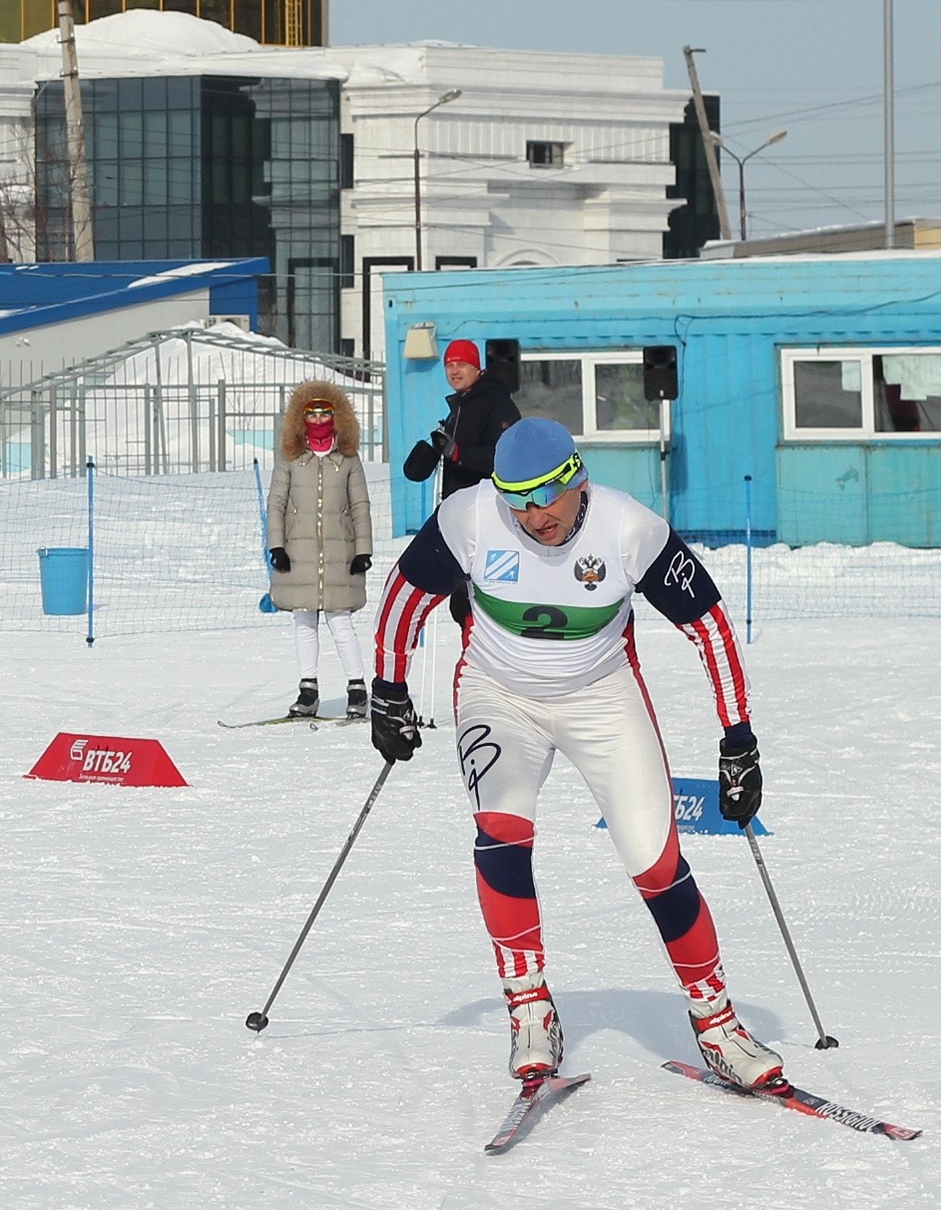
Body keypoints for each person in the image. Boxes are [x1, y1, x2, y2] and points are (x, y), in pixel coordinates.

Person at [367, 417, 782, 1090]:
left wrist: (737, 739)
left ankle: (718, 1024)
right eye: (517, 500)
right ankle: (529, 1006)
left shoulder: (627, 528)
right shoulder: (469, 517)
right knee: (500, 830)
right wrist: (387, 692)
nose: (533, 516)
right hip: (497, 692)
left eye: (545, 497)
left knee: (654, 862)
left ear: (576, 479)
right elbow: (401, 600)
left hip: (600, 695)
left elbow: (708, 626)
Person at [265, 379, 374, 721]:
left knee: (341, 622)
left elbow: (360, 506)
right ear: (300, 417)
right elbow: (276, 503)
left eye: (324, 412)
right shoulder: (290, 458)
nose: (316, 418)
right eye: (310, 412)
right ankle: (308, 688)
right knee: (303, 621)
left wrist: (363, 549)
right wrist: (277, 545)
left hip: (340, 555)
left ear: (337, 414)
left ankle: (357, 688)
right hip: (299, 555)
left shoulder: (348, 459)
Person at [403, 338, 520, 497]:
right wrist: (432, 452)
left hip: (487, 506)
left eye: (462, 364)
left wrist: (458, 453)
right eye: (449, 365)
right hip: (457, 506)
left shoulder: (496, 403)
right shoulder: (459, 408)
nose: (455, 371)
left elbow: (506, 457)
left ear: (477, 369)